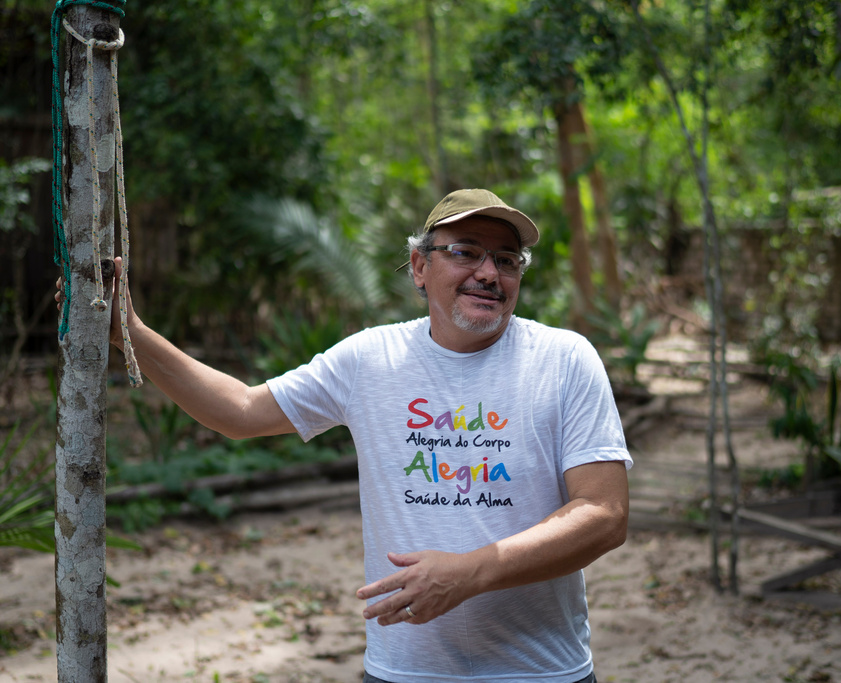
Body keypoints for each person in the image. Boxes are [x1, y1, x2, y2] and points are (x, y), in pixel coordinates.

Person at [63, 188, 632, 683]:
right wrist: (130, 333)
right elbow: (239, 411)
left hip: (541, 671)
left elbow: (604, 515)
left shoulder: (563, 358)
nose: (489, 272)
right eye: (465, 252)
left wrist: (470, 571)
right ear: (418, 266)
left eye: (507, 260)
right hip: (403, 670)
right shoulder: (370, 359)